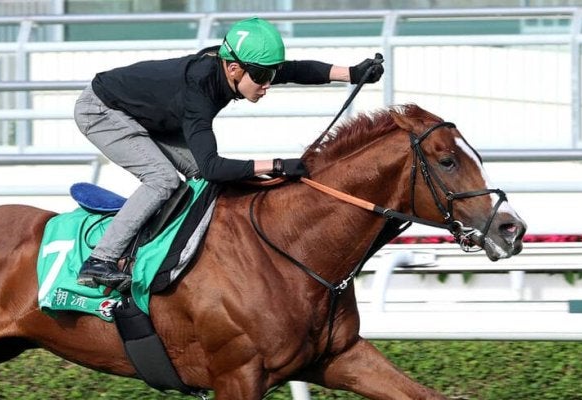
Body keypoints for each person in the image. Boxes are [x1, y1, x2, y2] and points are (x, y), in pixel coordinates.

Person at [74, 17, 384, 291]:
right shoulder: (199, 94)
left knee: (197, 176)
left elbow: (294, 69)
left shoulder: (229, 65)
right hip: (102, 111)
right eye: (262, 77)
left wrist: (353, 74)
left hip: (148, 114)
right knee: (163, 180)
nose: (268, 85)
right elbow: (212, 167)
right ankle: (100, 260)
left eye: (270, 76)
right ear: (234, 68)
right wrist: (277, 165)